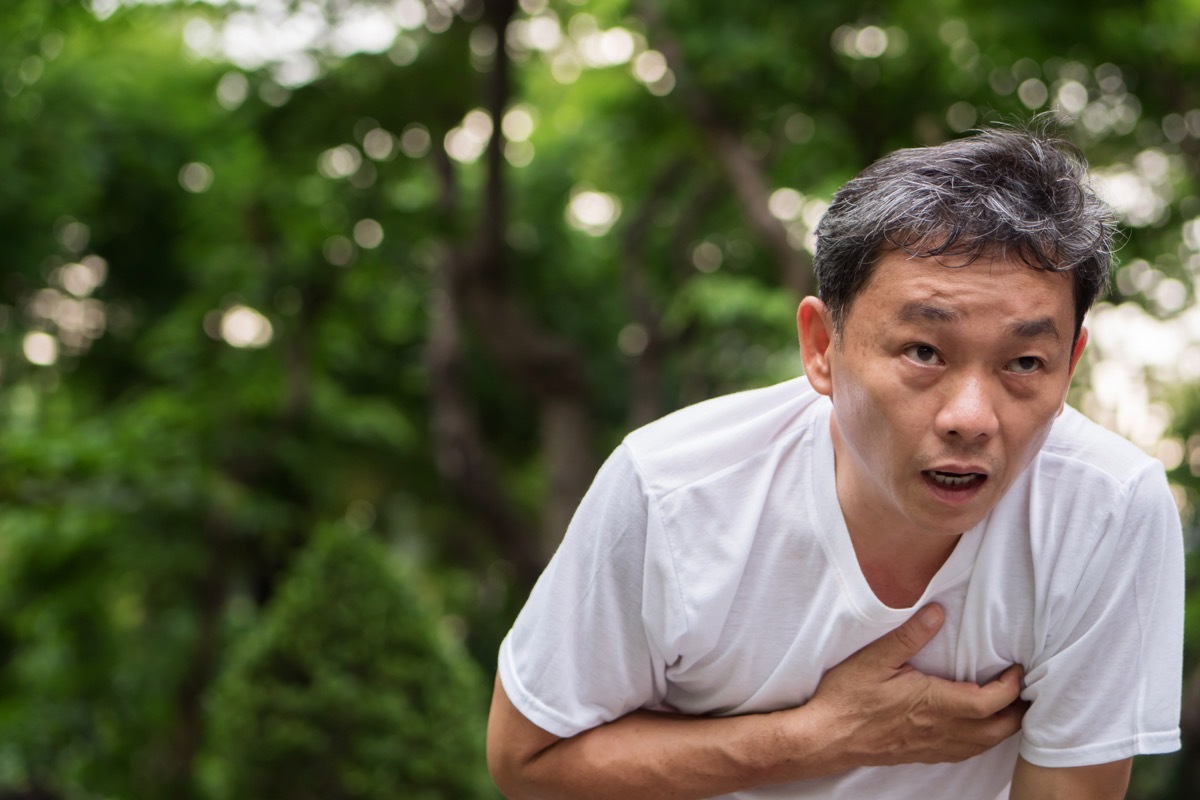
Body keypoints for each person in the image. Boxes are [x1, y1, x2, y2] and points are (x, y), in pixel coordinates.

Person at [485, 126, 1184, 799]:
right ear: (822, 346)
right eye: (923, 352)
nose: (971, 418)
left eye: (1025, 362)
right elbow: (528, 761)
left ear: (1070, 367)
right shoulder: (672, 492)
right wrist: (818, 736)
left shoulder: (1107, 509)